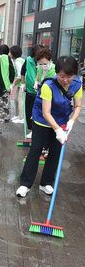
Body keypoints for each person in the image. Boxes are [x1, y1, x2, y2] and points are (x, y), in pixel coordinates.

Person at [16, 56, 82, 197]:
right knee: (36, 149)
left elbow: (78, 105)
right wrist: (57, 130)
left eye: (69, 76)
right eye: (62, 76)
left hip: (62, 119)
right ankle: (25, 184)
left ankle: (46, 183)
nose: (65, 80)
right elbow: (46, 112)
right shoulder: (48, 86)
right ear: (56, 72)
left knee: (55, 151)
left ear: (75, 75)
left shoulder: (77, 84)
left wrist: (71, 121)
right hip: (42, 120)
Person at [20, 45, 44, 138]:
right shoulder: (28, 60)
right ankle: (31, 129)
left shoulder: (44, 62)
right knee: (29, 111)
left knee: (37, 112)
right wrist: (23, 83)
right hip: (29, 90)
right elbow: (23, 71)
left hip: (40, 93)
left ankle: (36, 131)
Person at [9, 45, 25, 123]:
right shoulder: (19, 60)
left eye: (10, 52)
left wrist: (13, 84)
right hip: (20, 84)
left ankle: (21, 118)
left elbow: (19, 75)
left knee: (20, 100)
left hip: (23, 84)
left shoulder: (18, 62)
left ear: (13, 53)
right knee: (16, 100)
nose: (9, 53)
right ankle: (17, 115)